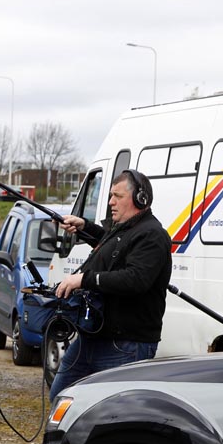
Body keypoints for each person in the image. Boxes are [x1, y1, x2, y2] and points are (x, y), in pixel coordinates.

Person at [48, 169, 172, 400]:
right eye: (111, 196)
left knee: (111, 412)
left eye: (118, 196)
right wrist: (84, 226)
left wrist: (83, 279)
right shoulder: (124, 229)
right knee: (61, 398)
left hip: (126, 345)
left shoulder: (152, 235)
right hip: (93, 338)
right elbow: (113, 245)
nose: (111, 202)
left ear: (140, 199)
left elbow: (136, 279)